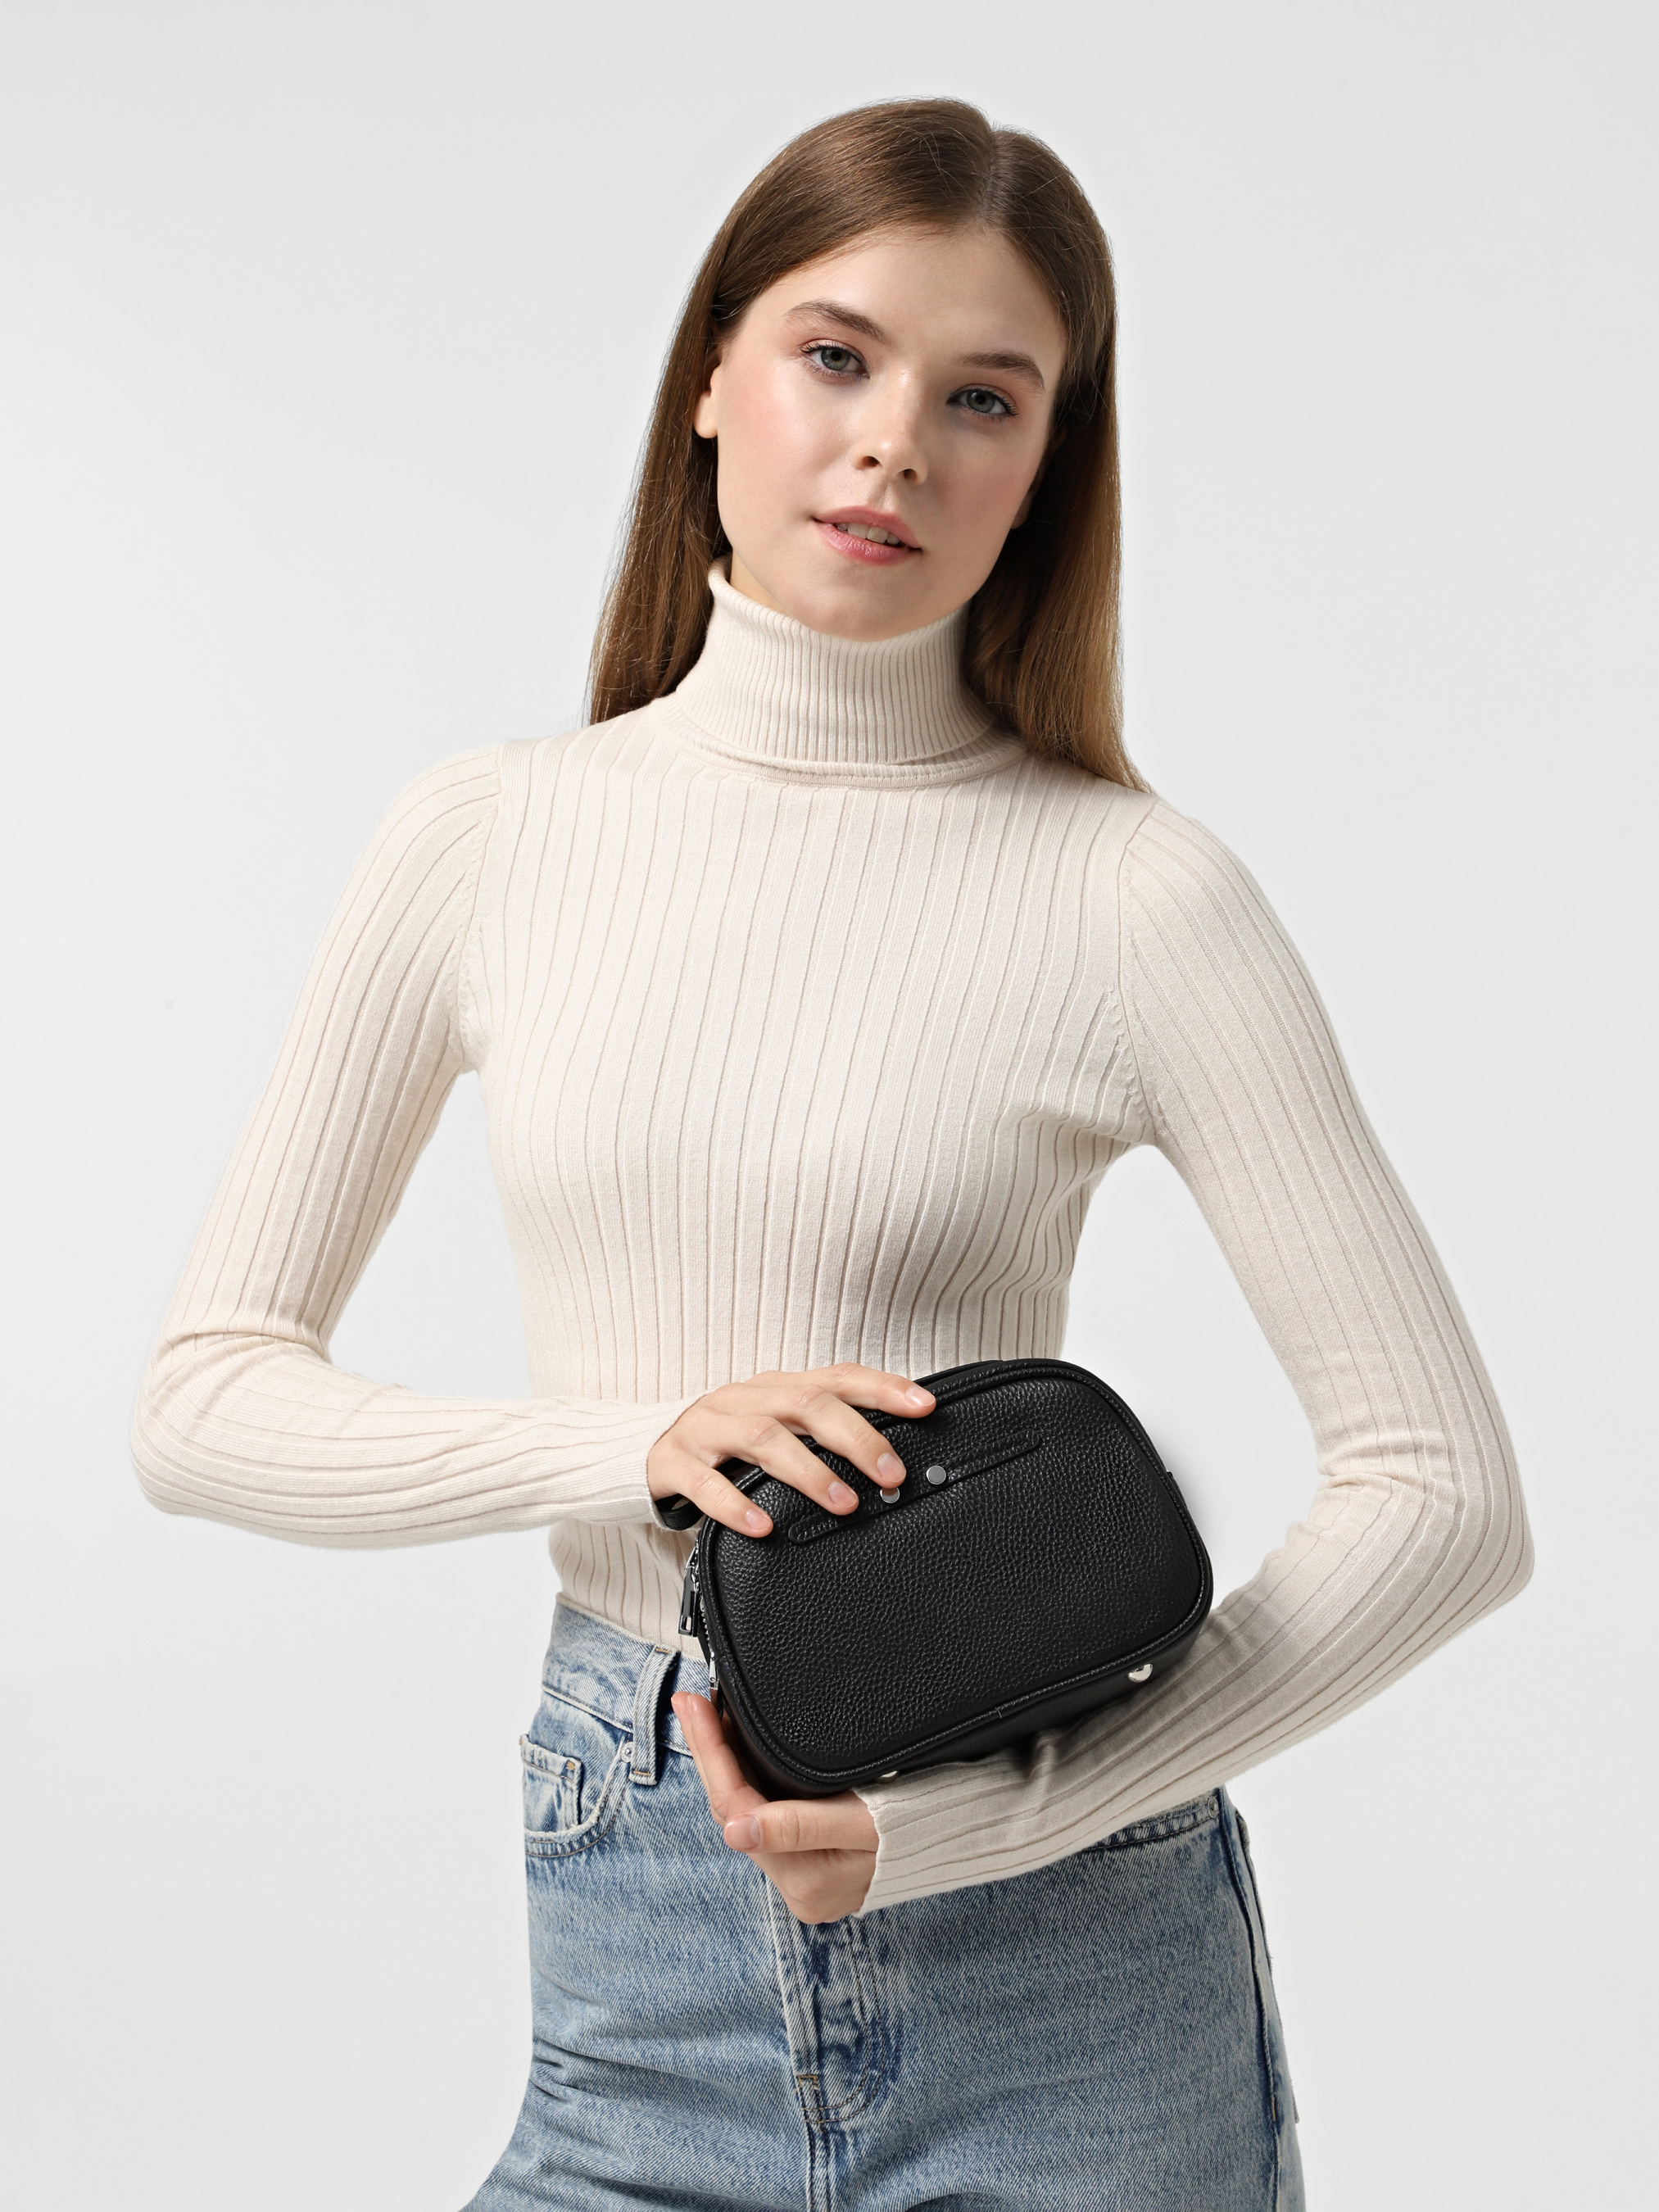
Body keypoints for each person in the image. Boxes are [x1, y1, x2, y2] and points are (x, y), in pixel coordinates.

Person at [130, 97, 1532, 2210]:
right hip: (639, 1935)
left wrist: (979, 1821)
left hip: (1069, 1971)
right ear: (713, 374)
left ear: (1047, 461)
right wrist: (642, 1446)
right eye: (836, 357)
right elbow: (203, 1401)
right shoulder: (488, 840)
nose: (894, 449)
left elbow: (1447, 1498)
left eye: (984, 397)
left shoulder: (1140, 896)